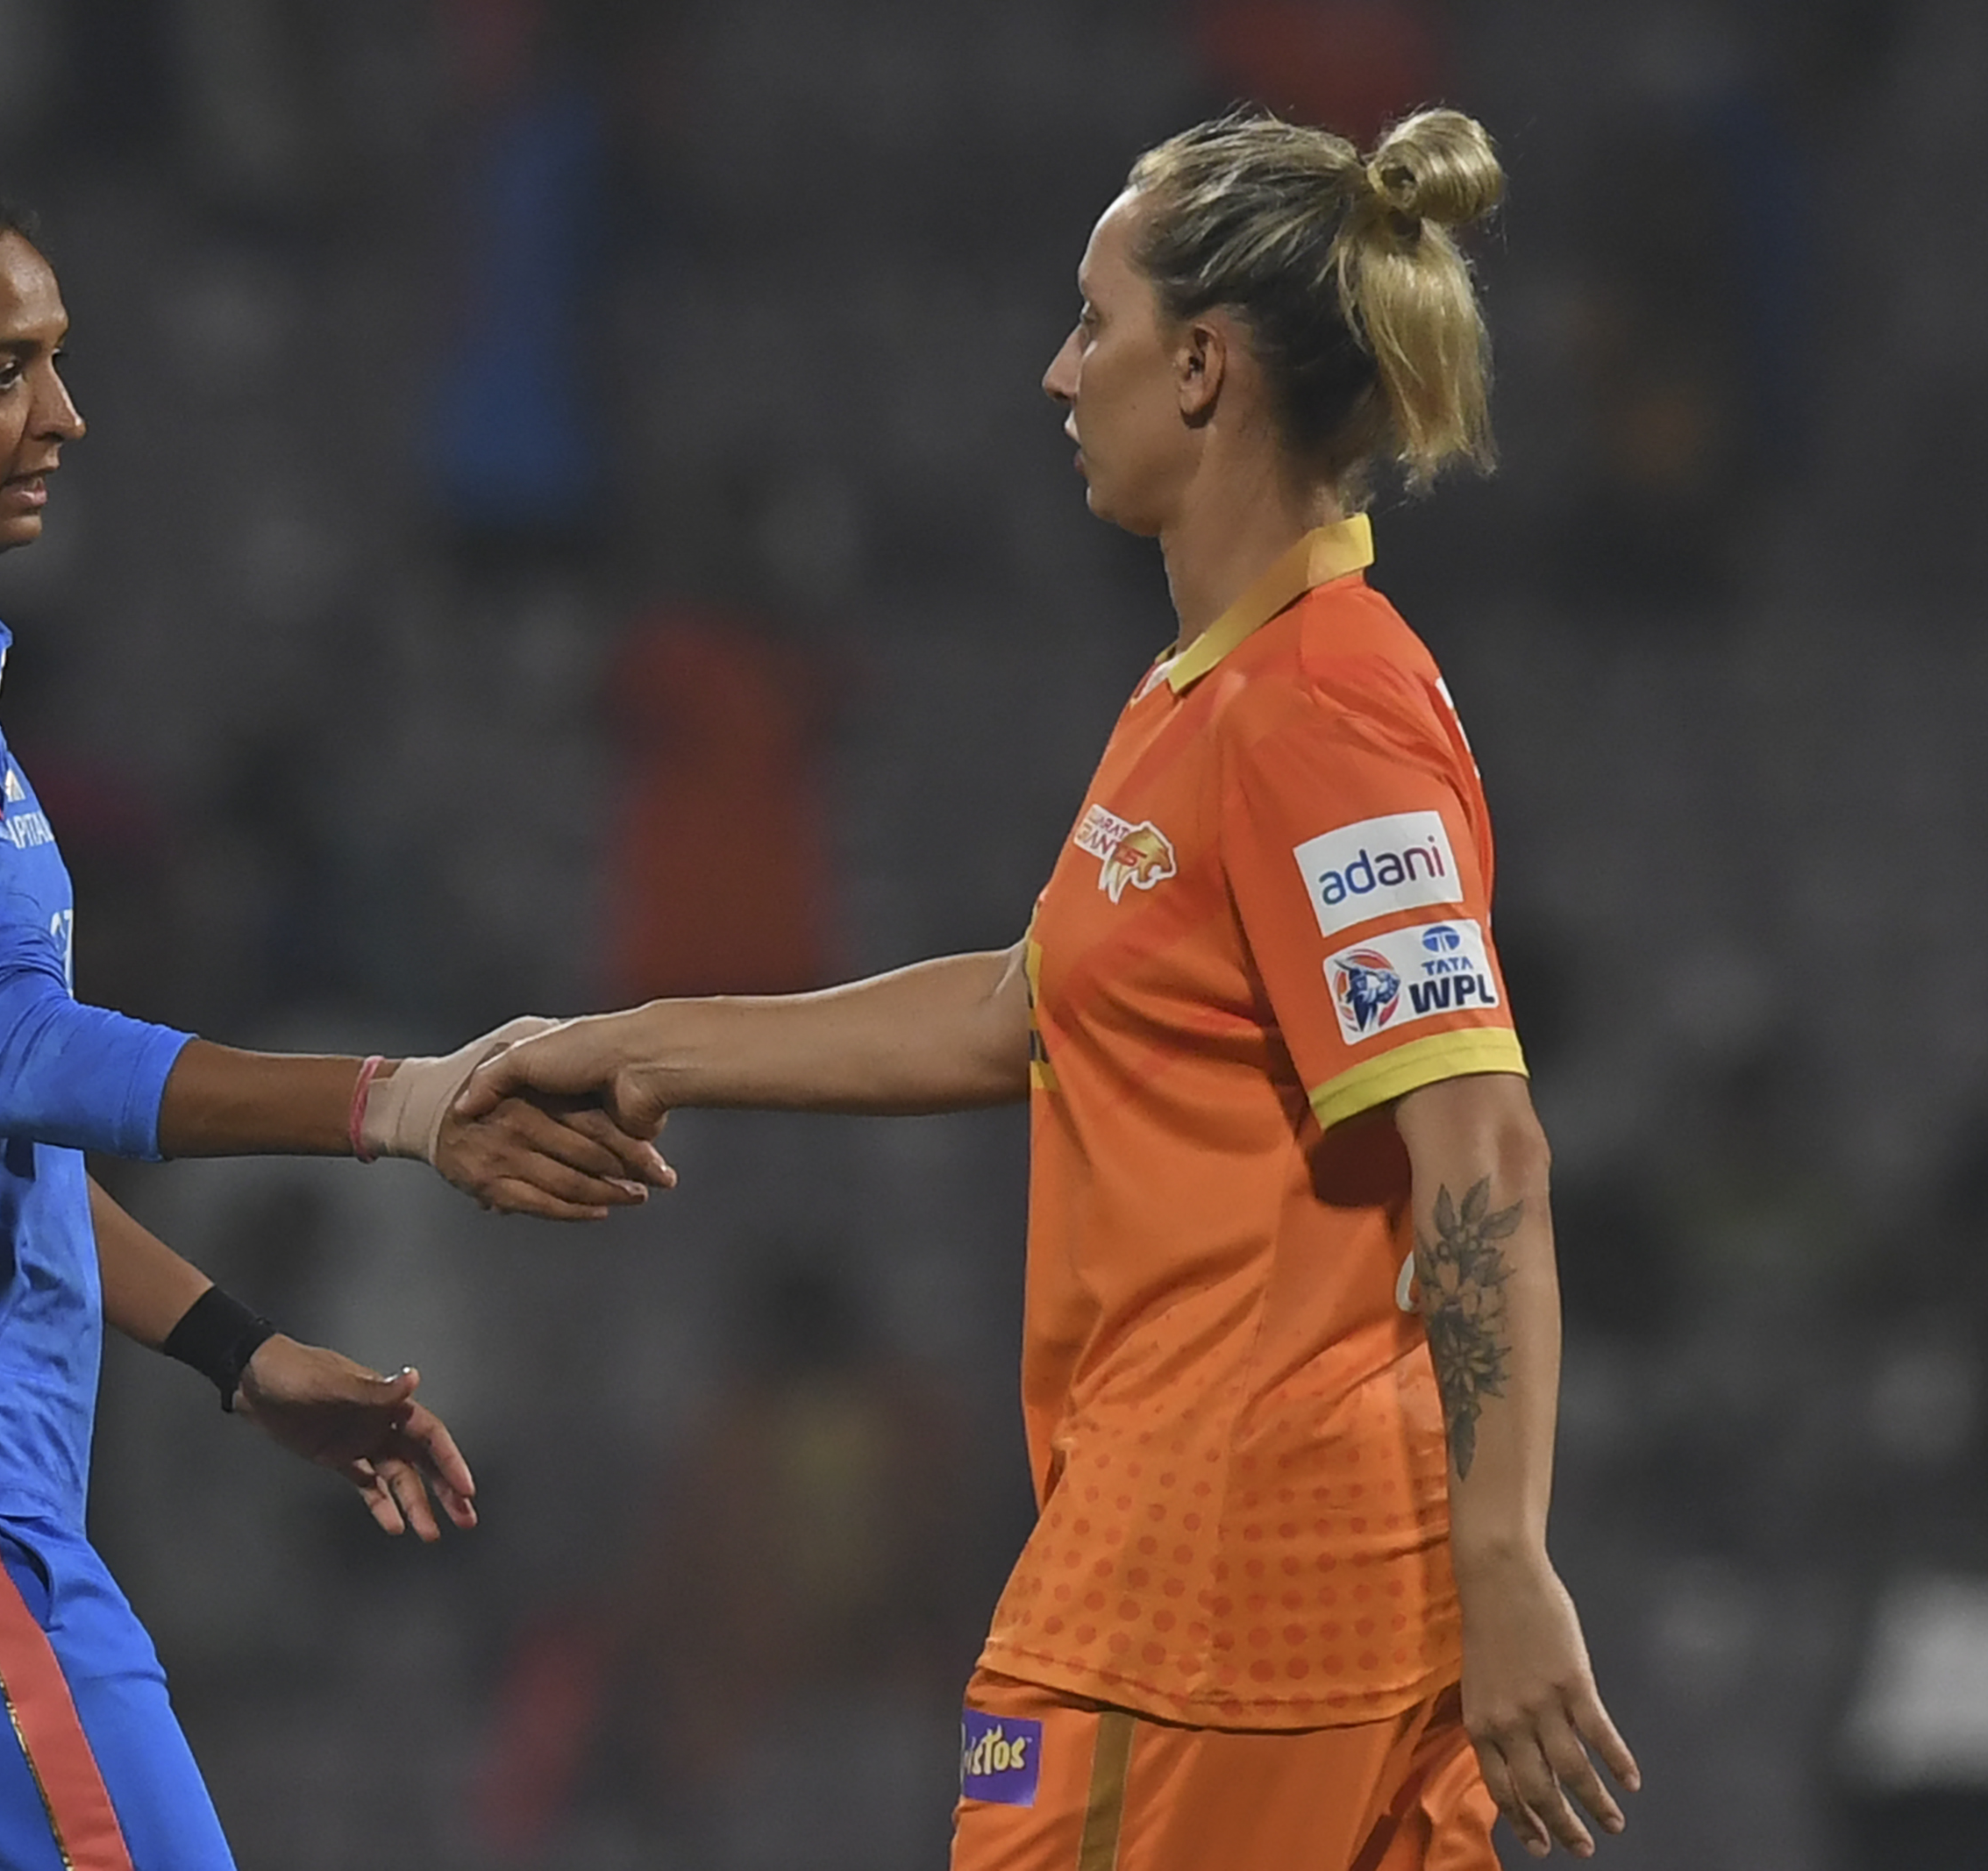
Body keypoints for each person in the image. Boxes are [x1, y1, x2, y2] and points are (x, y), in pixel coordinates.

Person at [461, 109, 1641, 1867]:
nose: (1052, 370)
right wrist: (643, 1044)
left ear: (1200, 368)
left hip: (1214, 1600)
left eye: (1091, 323)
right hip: (1259, 1588)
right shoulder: (1203, 698)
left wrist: (1505, 1553)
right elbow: (1022, 1009)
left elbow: (1477, 1142)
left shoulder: (1318, 709)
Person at [0, 151, 670, 1871]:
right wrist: (402, 1100)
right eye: (2, 369)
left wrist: (238, 1353)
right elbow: (22, 1058)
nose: (64, 413)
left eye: (60, 355)